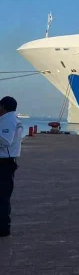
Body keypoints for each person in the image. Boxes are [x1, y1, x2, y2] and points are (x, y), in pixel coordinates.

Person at [0, 96, 23, 237]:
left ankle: (3, 228)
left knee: (2, 197)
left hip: (3, 163)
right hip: (7, 162)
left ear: (2, 107)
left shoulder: (8, 120)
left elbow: (5, 141)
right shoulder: (13, 119)